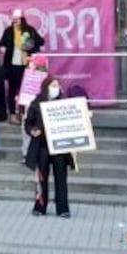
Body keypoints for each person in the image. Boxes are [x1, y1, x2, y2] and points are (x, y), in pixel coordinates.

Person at [24, 75, 73, 218]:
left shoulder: (63, 103)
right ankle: (40, 207)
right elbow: (28, 122)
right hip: (42, 146)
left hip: (59, 147)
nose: (56, 89)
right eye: (53, 85)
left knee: (61, 178)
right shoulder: (36, 103)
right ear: (46, 87)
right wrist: (33, 131)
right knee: (41, 179)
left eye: (57, 85)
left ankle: (63, 208)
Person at [0, 9, 45, 124]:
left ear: (22, 19)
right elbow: (1, 44)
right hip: (12, 65)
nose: (15, 21)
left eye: (17, 19)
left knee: (25, 89)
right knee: (12, 89)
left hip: (27, 65)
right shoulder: (8, 31)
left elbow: (41, 41)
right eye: (13, 19)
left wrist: (32, 45)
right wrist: (2, 48)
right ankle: (13, 114)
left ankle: (24, 113)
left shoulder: (29, 30)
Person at [19, 53, 50, 162]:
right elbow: (24, 91)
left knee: (28, 129)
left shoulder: (46, 79)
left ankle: (28, 153)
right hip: (29, 106)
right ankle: (27, 153)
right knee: (26, 129)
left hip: (36, 109)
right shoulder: (29, 75)